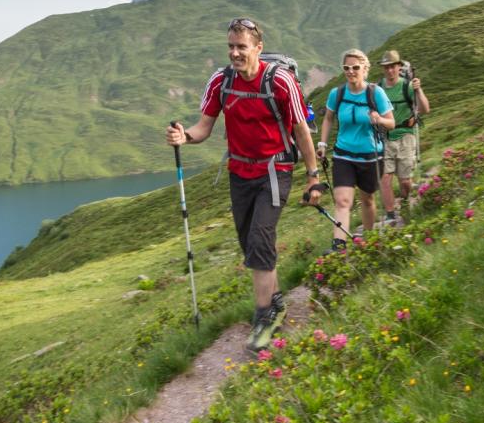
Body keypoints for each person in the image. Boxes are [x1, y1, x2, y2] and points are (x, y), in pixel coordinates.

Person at [166, 18, 323, 352]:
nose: (235, 53)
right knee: (250, 245)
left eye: (242, 47)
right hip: (240, 173)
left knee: (259, 238)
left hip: (274, 170)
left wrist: (313, 177)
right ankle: (276, 301)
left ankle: (264, 315)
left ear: (258, 48)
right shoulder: (221, 81)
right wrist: (184, 137)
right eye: (231, 47)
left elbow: (301, 131)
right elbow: (204, 128)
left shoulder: (279, 82)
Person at [315, 49, 395, 252]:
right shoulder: (337, 94)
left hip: (370, 156)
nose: (350, 72)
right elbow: (328, 118)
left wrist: (379, 119)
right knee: (343, 201)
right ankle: (338, 247)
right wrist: (322, 144)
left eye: (355, 68)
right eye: (346, 68)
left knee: (367, 200)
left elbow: (391, 123)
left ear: (365, 69)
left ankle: (368, 242)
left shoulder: (375, 93)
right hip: (343, 155)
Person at [376, 49, 430, 224]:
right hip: (386, 138)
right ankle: (391, 216)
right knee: (385, 178)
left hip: (406, 136)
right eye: (386, 67)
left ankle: (406, 200)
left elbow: (424, 109)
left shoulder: (407, 86)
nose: (390, 70)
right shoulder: (379, 88)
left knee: (405, 181)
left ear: (399, 67)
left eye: (393, 66)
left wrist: (418, 90)